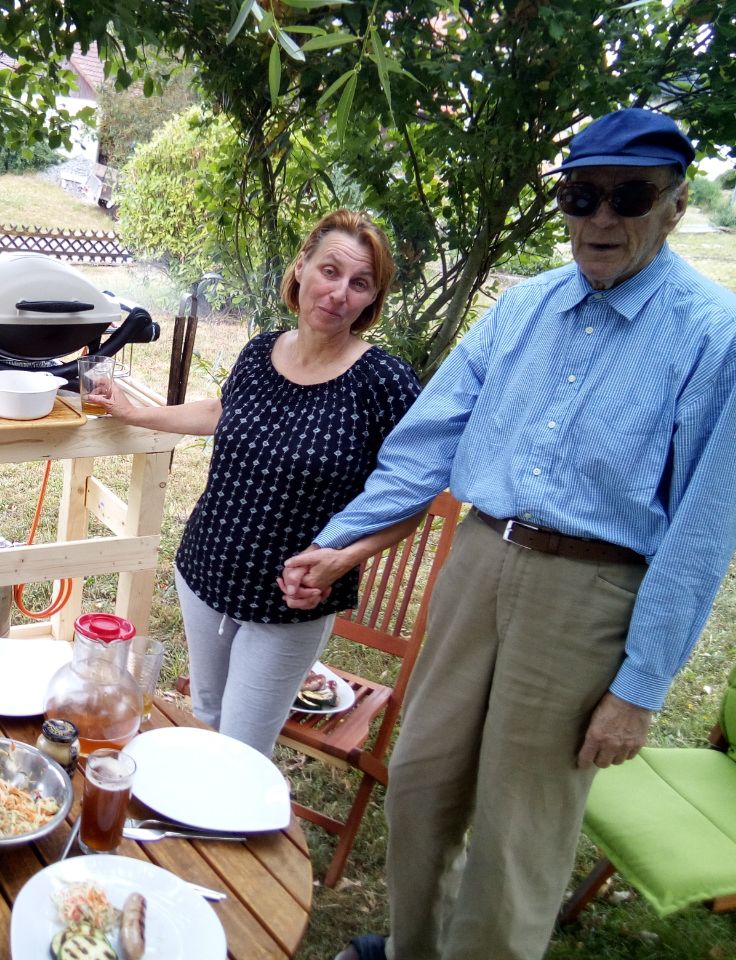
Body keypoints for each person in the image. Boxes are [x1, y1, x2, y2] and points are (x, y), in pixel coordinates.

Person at [280, 109, 736, 960]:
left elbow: (702, 534)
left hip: (588, 593)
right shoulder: (524, 305)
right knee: (420, 781)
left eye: (630, 197)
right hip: (479, 561)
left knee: (518, 826)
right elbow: (425, 443)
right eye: (581, 195)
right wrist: (341, 541)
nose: (600, 219)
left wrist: (639, 690)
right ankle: (413, 949)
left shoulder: (716, 335)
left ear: (675, 205)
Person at [91, 209, 422, 756]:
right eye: (330, 270)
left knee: (242, 749)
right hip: (205, 569)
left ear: (371, 299)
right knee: (207, 716)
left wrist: (343, 560)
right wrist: (136, 413)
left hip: (292, 598)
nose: (339, 292)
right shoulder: (260, 351)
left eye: (359, 283)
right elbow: (223, 412)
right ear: (302, 267)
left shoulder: (384, 383)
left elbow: (410, 496)